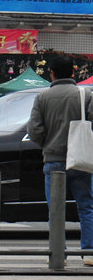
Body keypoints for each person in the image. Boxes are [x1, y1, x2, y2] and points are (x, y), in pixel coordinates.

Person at [27, 56, 93, 266]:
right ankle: (90, 253)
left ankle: (58, 254)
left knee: (56, 209)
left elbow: (34, 130)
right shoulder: (86, 95)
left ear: (52, 73)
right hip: (81, 159)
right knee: (87, 207)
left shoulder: (43, 97)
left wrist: (48, 144)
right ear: (72, 73)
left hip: (53, 161)